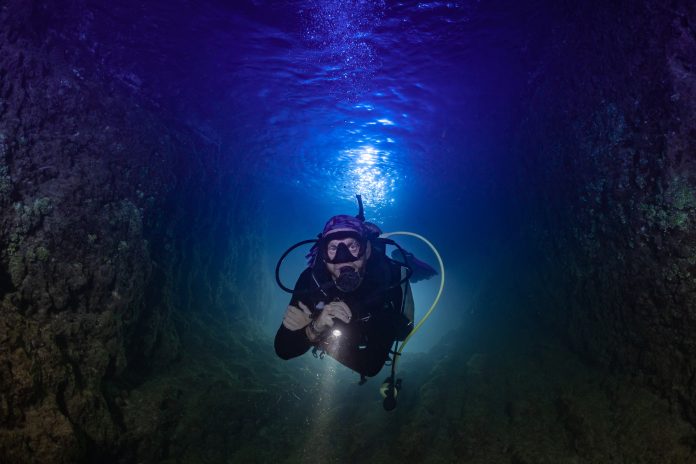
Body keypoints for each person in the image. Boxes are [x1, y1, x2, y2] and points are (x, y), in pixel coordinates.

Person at [274, 214, 411, 378]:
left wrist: (317, 336)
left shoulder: (384, 284)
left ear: (366, 250)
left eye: (353, 246)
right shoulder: (312, 282)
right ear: (323, 255)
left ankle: (410, 260)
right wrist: (314, 329)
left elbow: (371, 366)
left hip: (368, 331)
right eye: (333, 248)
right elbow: (283, 349)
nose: (343, 258)